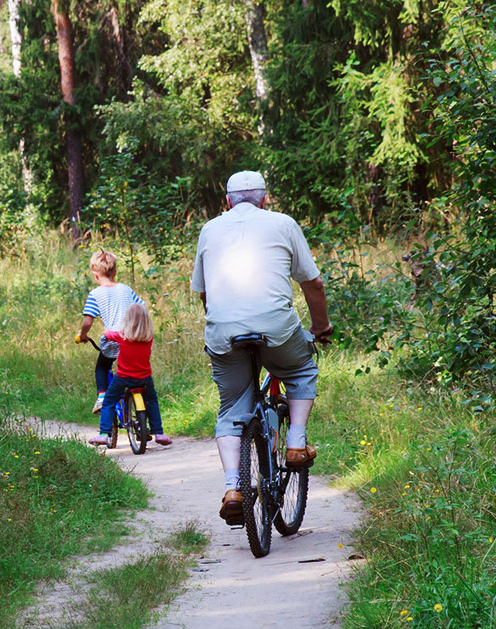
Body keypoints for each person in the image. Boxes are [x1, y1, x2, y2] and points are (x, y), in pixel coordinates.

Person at [190, 171, 332, 525]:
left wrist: (224, 326)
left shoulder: (209, 229)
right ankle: (296, 443)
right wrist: (320, 328)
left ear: (228, 202)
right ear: (265, 199)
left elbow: (204, 292)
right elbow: (312, 284)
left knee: (231, 409)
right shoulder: (282, 223)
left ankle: (233, 488)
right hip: (276, 329)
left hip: (223, 333)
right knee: (301, 370)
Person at [86, 302, 176, 448]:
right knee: (152, 401)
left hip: (123, 378)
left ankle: (104, 434)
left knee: (108, 401)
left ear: (127, 320)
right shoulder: (149, 337)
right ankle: (159, 433)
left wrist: (107, 329)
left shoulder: (121, 336)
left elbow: (108, 334)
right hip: (144, 379)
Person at [75, 250, 143, 413]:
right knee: (134, 370)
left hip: (113, 340)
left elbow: (87, 321)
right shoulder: (126, 289)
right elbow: (141, 308)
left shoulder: (95, 294)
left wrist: (82, 335)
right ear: (115, 272)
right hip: (133, 339)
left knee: (102, 367)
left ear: (95, 275)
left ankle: (102, 397)